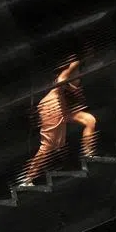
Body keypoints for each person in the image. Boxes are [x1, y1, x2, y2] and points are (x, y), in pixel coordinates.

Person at [20, 57, 97, 186]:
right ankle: (27, 179)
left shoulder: (81, 66)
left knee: (89, 120)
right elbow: (61, 80)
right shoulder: (74, 63)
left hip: (63, 106)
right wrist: (71, 87)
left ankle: (89, 155)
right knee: (49, 146)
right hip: (52, 105)